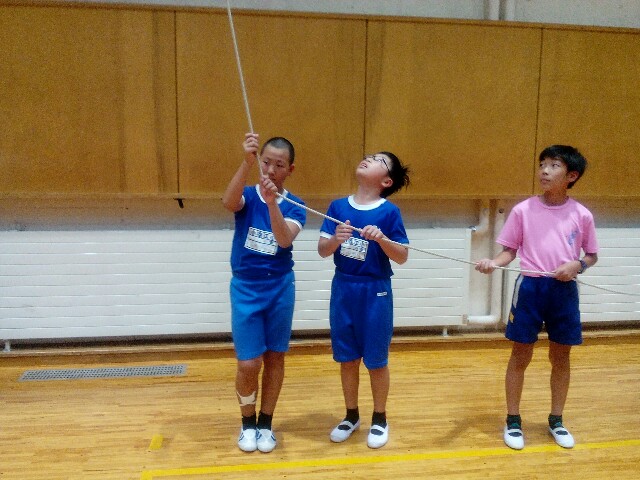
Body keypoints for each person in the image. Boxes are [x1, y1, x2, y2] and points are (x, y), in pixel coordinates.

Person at [475, 145, 598, 451]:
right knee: (520, 354)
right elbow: (509, 251)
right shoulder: (523, 210)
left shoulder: (582, 214)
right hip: (530, 288)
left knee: (561, 357)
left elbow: (591, 256)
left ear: (571, 176)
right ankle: (513, 420)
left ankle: (556, 420)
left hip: (564, 291)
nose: (544, 170)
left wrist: (578, 265)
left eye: (554, 165)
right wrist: (494, 263)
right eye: (543, 164)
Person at [318, 151, 410, 449]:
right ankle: (351, 415)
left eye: (378, 160)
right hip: (344, 289)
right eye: (369, 156)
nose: (368, 159)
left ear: (386, 181)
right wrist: (336, 239)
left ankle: (380, 418)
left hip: (375, 292)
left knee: (376, 360)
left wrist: (382, 239)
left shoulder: (389, 212)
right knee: (347, 358)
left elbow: (402, 256)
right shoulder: (337, 207)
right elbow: (322, 250)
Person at [222, 133, 306, 453]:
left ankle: (266, 424)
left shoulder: (296, 205)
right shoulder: (247, 194)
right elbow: (228, 202)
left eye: (279, 165)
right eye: (265, 162)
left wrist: (273, 204)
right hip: (246, 287)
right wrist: (245, 163)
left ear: (290, 170)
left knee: (274, 357)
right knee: (248, 363)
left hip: (280, 287)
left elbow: (284, 240)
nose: (271, 170)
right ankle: (247, 423)